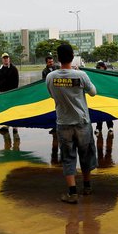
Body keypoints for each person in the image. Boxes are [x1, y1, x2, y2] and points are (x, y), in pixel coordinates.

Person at [46, 44, 97, 204]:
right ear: (72, 56)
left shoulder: (51, 77)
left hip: (63, 124)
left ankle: (72, 193)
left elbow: (51, 95)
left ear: (58, 58)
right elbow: (93, 92)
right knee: (86, 154)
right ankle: (87, 187)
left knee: (68, 158)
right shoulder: (81, 75)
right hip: (82, 123)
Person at [0, 53, 19, 133]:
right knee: (4, 109)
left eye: (7, 58)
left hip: (12, 93)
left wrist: (14, 92)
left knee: (12, 109)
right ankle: (6, 126)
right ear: (2, 59)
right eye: (4, 58)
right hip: (3, 93)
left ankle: (15, 126)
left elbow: (16, 82)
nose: (6, 59)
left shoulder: (14, 69)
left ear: (9, 59)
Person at [94, 61, 114, 135]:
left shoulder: (108, 75)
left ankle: (110, 127)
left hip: (107, 97)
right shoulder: (95, 75)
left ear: (103, 67)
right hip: (99, 97)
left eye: (99, 67)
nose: (98, 68)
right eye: (97, 67)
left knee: (108, 112)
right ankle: (98, 128)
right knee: (99, 113)